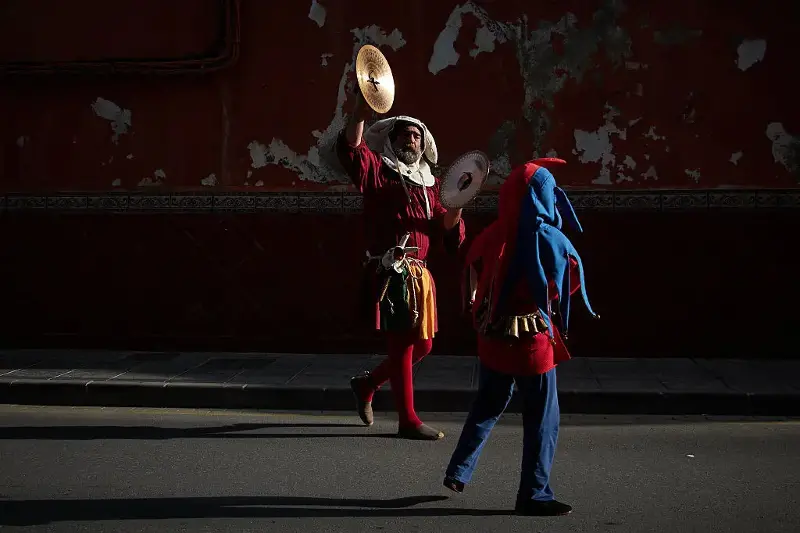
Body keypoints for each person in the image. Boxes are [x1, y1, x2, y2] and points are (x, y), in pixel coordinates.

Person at [441, 158, 599, 515]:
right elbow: (567, 286)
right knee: (543, 415)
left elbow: (472, 268)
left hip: (495, 335)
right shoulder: (550, 238)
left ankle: (459, 469)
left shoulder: (493, 233)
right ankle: (534, 493)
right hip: (532, 343)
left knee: (488, 402)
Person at [335, 89, 466, 440]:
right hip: (391, 271)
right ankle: (408, 420)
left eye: (417, 135)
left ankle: (367, 384)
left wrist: (456, 206)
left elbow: (446, 229)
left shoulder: (432, 185)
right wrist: (360, 113)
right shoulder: (380, 172)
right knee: (403, 345)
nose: (412, 139)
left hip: (421, 274)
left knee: (422, 345)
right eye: (405, 134)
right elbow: (353, 153)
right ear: (392, 139)